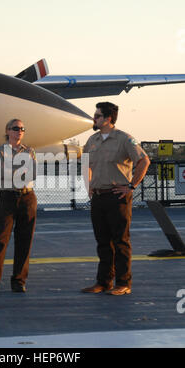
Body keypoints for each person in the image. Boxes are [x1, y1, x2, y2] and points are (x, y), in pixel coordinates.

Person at [81, 102, 150, 295]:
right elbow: (85, 163)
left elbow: (144, 160)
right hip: (98, 197)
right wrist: (88, 186)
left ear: (108, 118)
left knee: (120, 241)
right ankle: (103, 282)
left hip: (117, 196)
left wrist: (131, 186)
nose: (94, 119)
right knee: (103, 242)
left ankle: (123, 283)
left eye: (97, 116)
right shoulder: (92, 140)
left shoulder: (125, 139)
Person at [0, 118, 37, 295]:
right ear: (7, 131)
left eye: (22, 128)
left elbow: (33, 173)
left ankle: (19, 281)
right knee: (0, 239)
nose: (19, 131)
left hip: (28, 197)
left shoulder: (29, 151)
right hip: (7, 197)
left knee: (24, 240)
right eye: (15, 128)